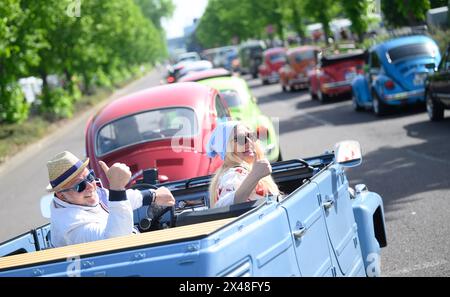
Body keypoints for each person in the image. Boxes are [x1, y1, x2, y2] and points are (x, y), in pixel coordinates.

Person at [46, 151, 175, 247]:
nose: (91, 186)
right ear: (61, 195)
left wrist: (151, 195)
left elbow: (110, 200)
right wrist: (117, 187)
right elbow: (117, 239)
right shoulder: (71, 227)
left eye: (90, 177)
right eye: (80, 185)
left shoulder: (81, 199)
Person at [207, 121, 280, 208]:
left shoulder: (247, 169)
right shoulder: (234, 173)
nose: (249, 142)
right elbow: (223, 207)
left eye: (251, 136)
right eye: (241, 139)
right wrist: (255, 175)